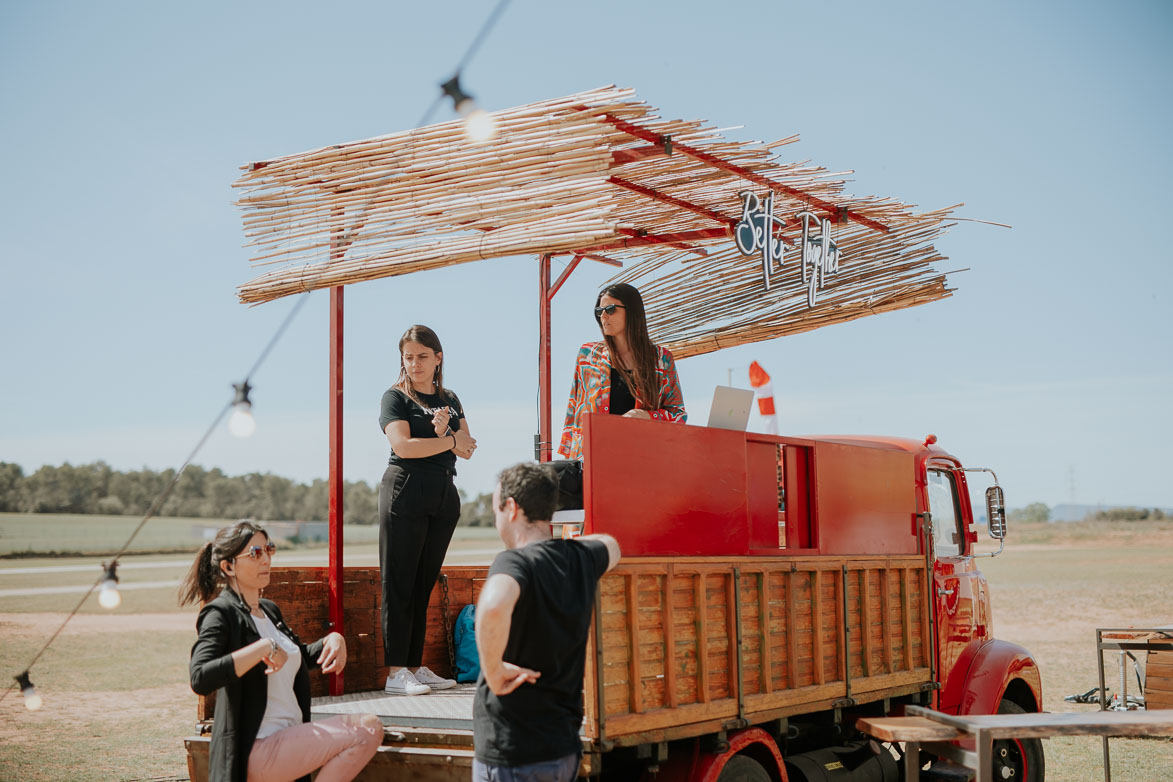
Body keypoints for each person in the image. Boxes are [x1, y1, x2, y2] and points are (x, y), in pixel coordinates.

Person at [182, 520, 381, 782]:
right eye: (255, 553)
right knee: (366, 728)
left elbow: (297, 657)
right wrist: (262, 648)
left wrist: (334, 639)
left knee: (367, 728)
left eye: (269, 549)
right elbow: (200, 677)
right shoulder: (220, 613)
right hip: (256, 748)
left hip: (288, 740)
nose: (265, 559)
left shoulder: (270, 611)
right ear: (228, 566)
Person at [473, 462, 621, 781]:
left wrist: (494, 671)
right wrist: (570, 549)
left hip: (513, 751)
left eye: (497, 508)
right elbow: (612, 545)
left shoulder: (513, 561)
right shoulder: (581, 558)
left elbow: (494, 605)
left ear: (511, 508)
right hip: (562, 749)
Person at [378, 324, 477, 696]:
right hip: (405, 489)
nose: (415, 364)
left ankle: (415, 667)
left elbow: (468, 449)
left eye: (422, 356)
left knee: (422, 584)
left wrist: (447, 437)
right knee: (399, 583)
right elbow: (403, 447)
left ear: (438, 358)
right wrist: (448, 438)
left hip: (443, 494)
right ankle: (395, 673)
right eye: (409, 357)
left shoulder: (450, 397)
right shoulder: (394, 397)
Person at [557, 282, 687, 461]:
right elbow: (574, 410)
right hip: (595, 459)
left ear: (631, 311)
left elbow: (678, 415)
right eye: (599, 311)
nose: (603, 316)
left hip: (642, 459)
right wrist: (570, 458)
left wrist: (647, 416)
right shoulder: (588, 356)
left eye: (610, 309)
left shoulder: (661, 359)